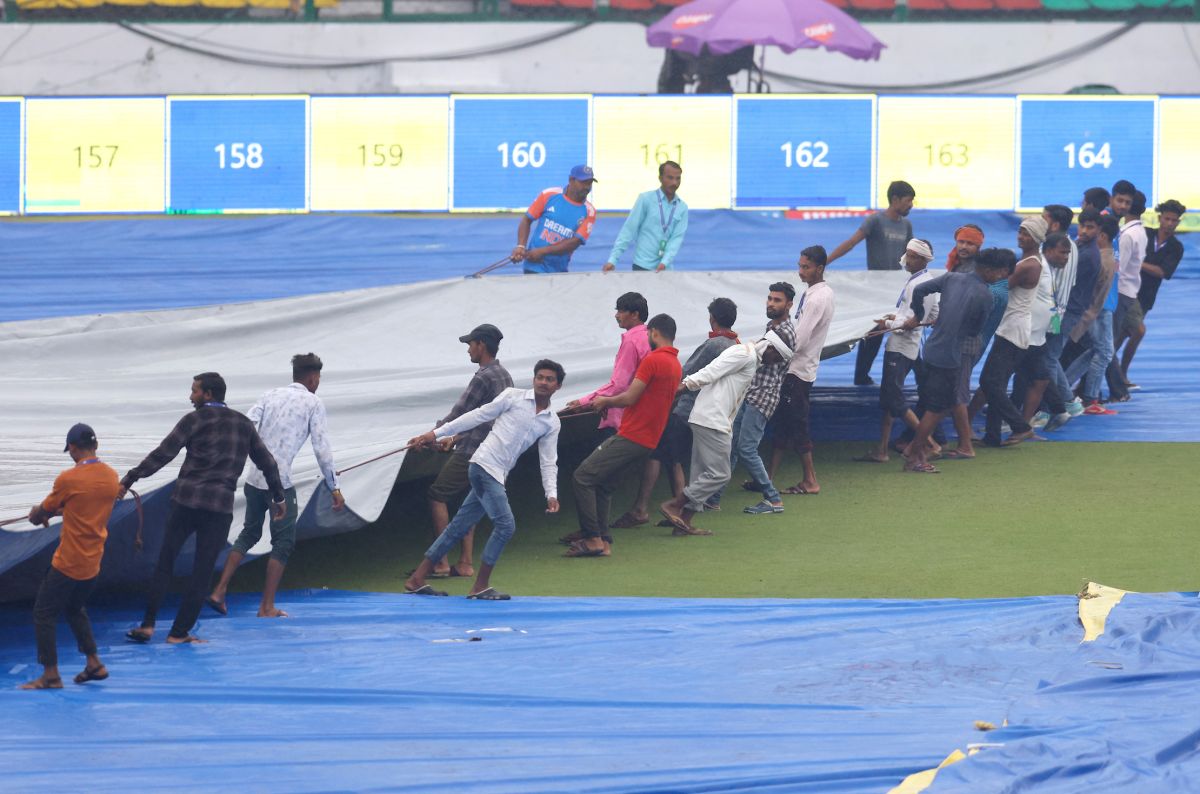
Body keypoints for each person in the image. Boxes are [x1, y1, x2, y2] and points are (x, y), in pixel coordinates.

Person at [122, 372, 286, 645]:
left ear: (208, 394)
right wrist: (279, 498)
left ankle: (148, 625)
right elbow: (268, 463)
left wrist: (130, 479)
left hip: (186, 502)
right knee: (202, 571)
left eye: (194, 391)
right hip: (219, 508)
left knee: (165, 562)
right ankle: (178, 633)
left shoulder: (194, 420)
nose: (190, 396)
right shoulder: (243, 424)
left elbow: (163, 453)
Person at [402, 361, 564, 601]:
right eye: (539, 377)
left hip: (496, 473)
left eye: (549, 379)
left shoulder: (552, 422)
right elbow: (477, 416)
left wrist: (552, 494)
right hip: (483, 466)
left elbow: (548, 460)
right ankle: (480, 586)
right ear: (533, 380)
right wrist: (434, 434)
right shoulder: (513, 397)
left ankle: (417, 579)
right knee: (506, 525)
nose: (543, 382)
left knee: (457, 527)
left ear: (558, 386)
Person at [207, 353, 345, 619]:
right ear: (313, 378)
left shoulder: (269, 395)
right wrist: (334, 487)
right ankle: (266, 606)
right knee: (283, 542)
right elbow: (322, 449)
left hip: (254, 478)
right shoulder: (313, 402)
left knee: (249, 533)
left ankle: (219, 591)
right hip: (279, 483)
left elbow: (246, 424)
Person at [607, 298, 738, 530]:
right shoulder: (735, 345)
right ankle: (679, 510)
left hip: (686, 409)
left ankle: (650, 508)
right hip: (710, 411)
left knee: (659, 456)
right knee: (675, 459)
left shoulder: (713, 345)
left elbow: (686, 373)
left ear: (712, 319)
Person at [566, 314, 681, 558]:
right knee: (605, 486)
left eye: (649, 334)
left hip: (632, 434)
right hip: (649, 439)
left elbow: (629, 396)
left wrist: (602, 401)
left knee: (582, 476)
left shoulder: (653, 361)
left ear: (655, 332)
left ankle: (592, 538)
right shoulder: (675, 364)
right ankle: (604, 540)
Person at [20, 424, 121, 690]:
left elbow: (44, 510)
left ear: (73, 448)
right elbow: (80, 507)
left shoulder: (68, 479)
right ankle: (94, 663)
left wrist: (37, 514)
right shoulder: (111, 477)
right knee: (75, 608)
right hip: (93, 561)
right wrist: (54, 511)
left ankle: (51, 675)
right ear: (96, 446)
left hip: (69, 561)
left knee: (43, 613)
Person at [901, 249, 1010, 473]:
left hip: (931, 350)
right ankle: (914, 453)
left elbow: (920, 290)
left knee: (942, 403)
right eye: (1000, 273)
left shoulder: (952, 278)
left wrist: (919, 315)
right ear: (989, 270)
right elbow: (975, 331)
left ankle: (919, 449)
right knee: (936, 409)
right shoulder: (985, 295)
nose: (1001, 277)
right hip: (950, 357)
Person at [420, 325, 512, 579]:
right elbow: (484, 417)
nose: (468, 349)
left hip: (474, 451)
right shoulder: (505, 375)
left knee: (437, 495)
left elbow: (460, 412)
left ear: (481, 345)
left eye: (470, 344)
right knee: (470, 504)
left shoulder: (483, 377)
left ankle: (439, 561)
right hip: (494, 452)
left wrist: (432, 436)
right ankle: (465, 563)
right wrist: (456, 437)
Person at [659, 336, 764, 535]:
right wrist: (684, 386)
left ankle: (683, 522)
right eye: (778, 356)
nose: (777, 361)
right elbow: (711, 370)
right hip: (713, 419)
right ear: (770, 348)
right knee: (721, 474)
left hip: (709, 417)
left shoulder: (749, 357)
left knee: (701, 474)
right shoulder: (745, 354)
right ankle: (675, 504)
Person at [709, 283, 797, 515]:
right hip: (752, 393)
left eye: (777, 300)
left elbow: (761, 358)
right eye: (769, 298)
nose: (771, 303)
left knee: (746, 448)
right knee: (733, 448)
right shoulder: (772, 327)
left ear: (789, 305)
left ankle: (773, 499)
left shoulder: (785, 332)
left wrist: (743, 352)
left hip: (763, 396)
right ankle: (713, 498)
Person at [855, 238, 940, 464]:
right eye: (907, 254)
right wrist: (897, 318)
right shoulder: (926, 282)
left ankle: (930, 443)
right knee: (888, 400)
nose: (907, 259)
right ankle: (882, 450)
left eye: (912, 256)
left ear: (922, 259)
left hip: (900, 349)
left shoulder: (916, 285)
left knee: (894, 400)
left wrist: (886, 324)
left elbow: (908, 324)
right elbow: (930, 316)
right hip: (910, 348)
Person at [827, 180, 916, 385]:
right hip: (876, 288)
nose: (911, 205)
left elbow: (911, 256)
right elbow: (851, 243)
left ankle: (875, 376)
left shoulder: (907, 225)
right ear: (895, 200)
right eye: (908, 201)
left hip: (896, 288)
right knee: (875, 332)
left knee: (902, 331)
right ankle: (861, 375)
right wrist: (825, 262)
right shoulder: (875, 221)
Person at [978, 217, 1044, 447]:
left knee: (990, 382)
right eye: (1020, 232)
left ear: (1036, 238)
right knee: (997, 382)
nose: (1020, 237)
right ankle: (992, 435)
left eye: (1025, 233)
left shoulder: (1029, 264)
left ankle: (1021, 426)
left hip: (1013, 329)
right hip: (1012, 326)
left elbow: (1000, 286)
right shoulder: (1029, 261)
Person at [777, 246, 835, 496]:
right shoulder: (819, 293)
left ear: (819, 268)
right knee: (783, 424)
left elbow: (798, 340)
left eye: (805, 267)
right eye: (800, 265)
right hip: (800, 369)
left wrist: (769, 352)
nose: (800, 271)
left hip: (798, 371)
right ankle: (766, 477)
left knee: (797, 426)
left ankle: (810, 480)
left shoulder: (816, 298)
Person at [564, 293, 650, 442]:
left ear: (635, 314)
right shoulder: (650, 336)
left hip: (625, 419)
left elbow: (619, 384)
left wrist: (584, 402)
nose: (617, 315)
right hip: (645, 414)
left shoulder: (631, 341)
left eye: (621, 311)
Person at [1123, 199, 1186, 383]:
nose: (1170, 224)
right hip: (1128, 291)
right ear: (1159, 218)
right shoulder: (1144, 234)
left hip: (1146, 297)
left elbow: (1163, 272)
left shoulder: (1176, 247)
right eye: (1167, 219)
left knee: (1125, 334)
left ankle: (1117, 374)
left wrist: (1138, 263)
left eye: (1174, 221)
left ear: (1178, 222)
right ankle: (1119, 376)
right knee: (1135, 332)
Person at [1014, 233, 1073, 430]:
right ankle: (1057, 410)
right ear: (1047, 251)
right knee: (1037, 373)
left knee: (1028, 373)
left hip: (1033, 331)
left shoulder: (1042, 267)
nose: (1066, 258)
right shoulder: (1039, 266)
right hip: (1033, 330)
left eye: (1067, 253)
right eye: (1062, 253)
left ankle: (1019, 420)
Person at [1066, 215, 1121, 415]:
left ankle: (1066, 390)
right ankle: (1089, 399)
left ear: (1101, 234)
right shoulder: (1102, 257)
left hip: (1100, 309)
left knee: (1095, 351)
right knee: (1104, 352)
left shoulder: (1102, 254)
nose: (1085, 232)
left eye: (1091, 228)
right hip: (1099, 310)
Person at [511, 165, 597, 274]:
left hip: (559, 270)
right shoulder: (549, 194)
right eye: (583, 182)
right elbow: (527, 220)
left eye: (589, 183)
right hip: (534, 266)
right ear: (571, 180)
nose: (586, 187)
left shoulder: (589, 211)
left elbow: (575, 242)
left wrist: (542, 251)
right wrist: (520, 246)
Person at [603, 161, 688, 273]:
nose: (674, 182)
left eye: (678, 178)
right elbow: (629, 230)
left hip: (665, 269)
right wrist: (613, 260)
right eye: (670, 178)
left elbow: (676, 239)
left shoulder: (682, 207)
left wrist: (665, 262)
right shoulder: (645, 199)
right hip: (642, 266)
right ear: (660, 178)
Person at [1107, 189, 1148, 399]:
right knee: (1107, 342)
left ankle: (1118, 389)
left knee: (1105, 344)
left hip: (1120, 292)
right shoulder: (1138, 232)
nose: (1121, 205)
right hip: (1128, 291)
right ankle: (1115, 387)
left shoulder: (1127, 235)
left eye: (1125, 202)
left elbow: (1117, 266)